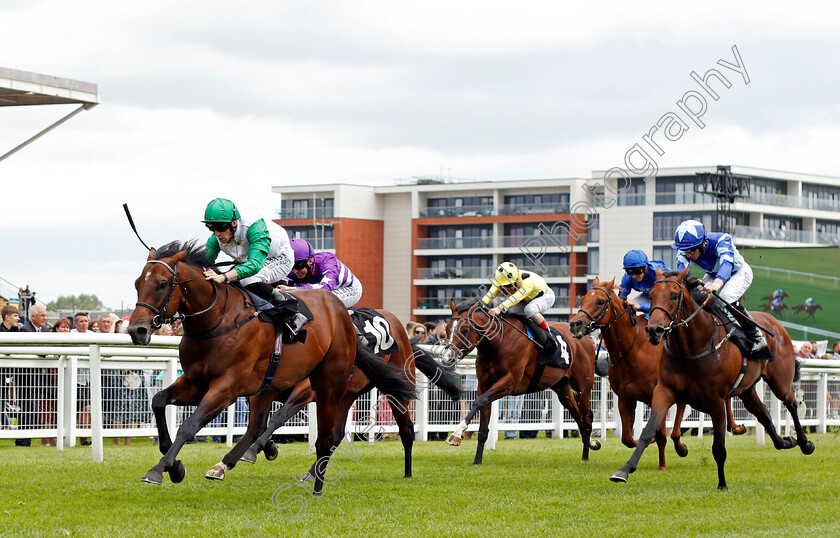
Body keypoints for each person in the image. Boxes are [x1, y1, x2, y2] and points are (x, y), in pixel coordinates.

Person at [200, 198, 306, 336]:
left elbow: (255, 265)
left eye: (220, 227)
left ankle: (291, 310)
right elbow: (202, 262)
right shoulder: (216, 237)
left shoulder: (254, 227)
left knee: (246, 279)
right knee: (231, 281)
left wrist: (223, 276)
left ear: (233, 223)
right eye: (211, 227)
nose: (217, 233)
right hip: (251, 261)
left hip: (280, 258)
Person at [672, 219, 773, 361]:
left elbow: (727, 264)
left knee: (727, 296)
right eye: (684, 250)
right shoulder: (684, 251)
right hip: (713, 275)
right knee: (695, 297)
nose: (688, 254)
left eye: (691, 250)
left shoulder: (722, 239)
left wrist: (717, 284)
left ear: (704, 243)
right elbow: (682, 273)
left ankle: (756, 336)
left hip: (738, 272)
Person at [277, 239, 364, 310]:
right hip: (321, 288)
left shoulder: (328, 261)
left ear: (310, 261)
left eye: (298, 266)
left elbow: (326, 288)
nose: (295, 271)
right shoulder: (296, 270)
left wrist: (292, 288)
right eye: (292, 266)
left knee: (321, 301)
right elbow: (283, 284)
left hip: (349, 288)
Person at [481, 262, 555, 335]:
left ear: (516, 280)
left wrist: (499, 308)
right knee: (511, 312)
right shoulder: (500, 281)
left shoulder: (528, 282)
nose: (506, 289)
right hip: (526, 300)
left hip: (545, 296)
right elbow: (489, 296)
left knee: (530, 309)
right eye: (503, 286)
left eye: (509, 285)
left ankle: (548, 334)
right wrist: (479, 305)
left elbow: (516, 297)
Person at [617, 250, 671, 314]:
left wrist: (640, 306)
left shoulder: (657, 274)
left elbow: (664, 304)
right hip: (648, 295)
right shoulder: (627, 277)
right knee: (629, 307)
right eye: (630, 271)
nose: (634, 276)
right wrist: (625, 302)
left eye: (638, 271)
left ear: (646, 267)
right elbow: (621, 299)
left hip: (665, 296)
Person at [71, 312, 92, 445]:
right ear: (75, 323)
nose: (84, 323)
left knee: (89, 410)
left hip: (89, 378)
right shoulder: (71, 334)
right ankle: (84, 439)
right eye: (81, 321)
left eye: (86, 321)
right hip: (74, 379)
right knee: (85, 409)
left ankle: (85, 438)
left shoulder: (91, 335)